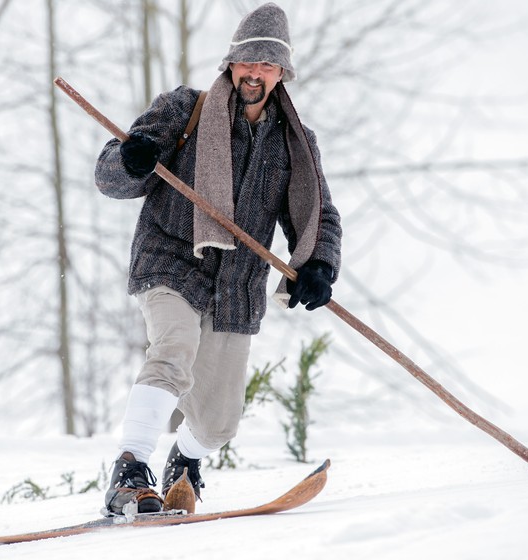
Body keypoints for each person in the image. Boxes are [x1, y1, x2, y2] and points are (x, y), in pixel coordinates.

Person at [94, 2, 342, 515]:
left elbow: (319, 212)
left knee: (219, 421)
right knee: (174, 347)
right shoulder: (185, 108)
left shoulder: (296, 144)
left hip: (238, 286)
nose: (255, 72)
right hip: (170, 260)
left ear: (282, 73)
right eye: (247, 61)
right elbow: (110, 177)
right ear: (231, 63)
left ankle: (184, 463)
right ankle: (129, 469)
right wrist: (129, 159)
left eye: (267, 64)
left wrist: (318, 265)